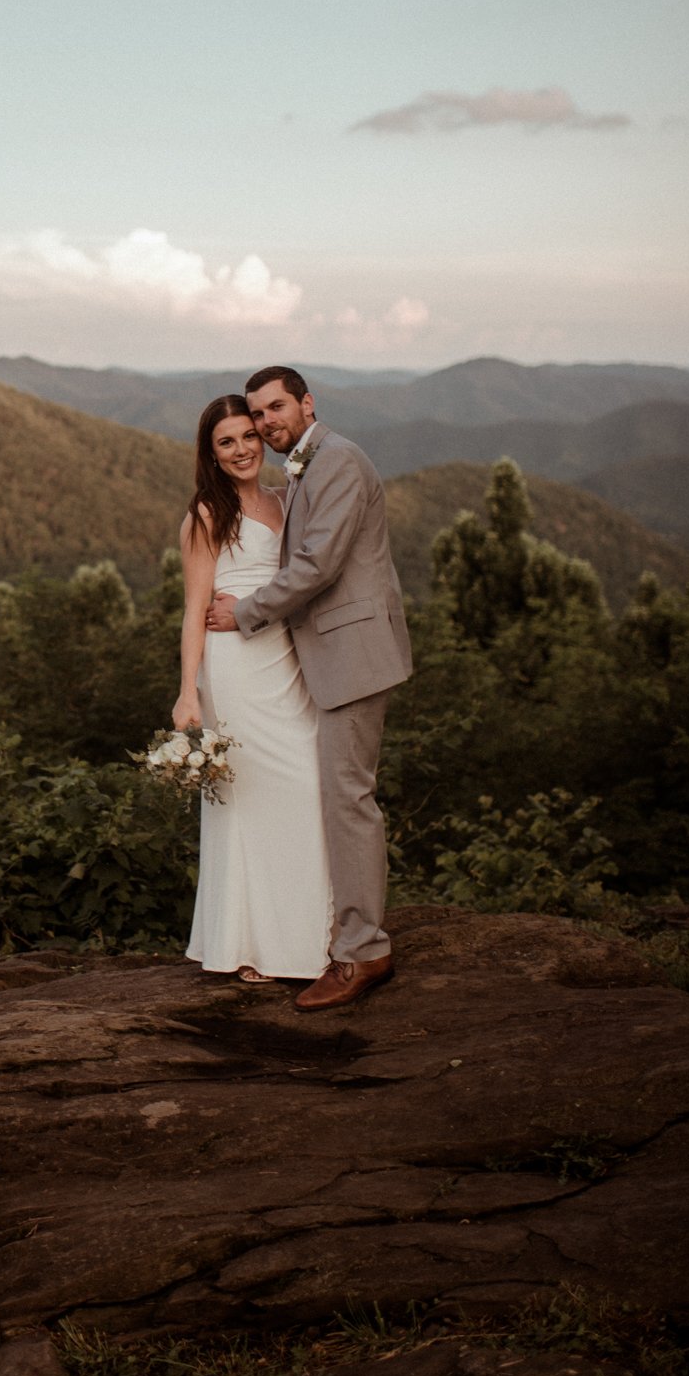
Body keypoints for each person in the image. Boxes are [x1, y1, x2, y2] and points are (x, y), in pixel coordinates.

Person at [205, 366, 412, 1011]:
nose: (267, 423)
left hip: (351, 655)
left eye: (276, 408)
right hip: (325, 659)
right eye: (259, 414)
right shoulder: (304, 466)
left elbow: (318, 565)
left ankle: (362, 955)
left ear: (306, 403)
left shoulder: (338, 461)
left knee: (348, 799)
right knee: (340, 795)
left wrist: (244, 613)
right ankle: (345, 938)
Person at [175, 395, 333, 984]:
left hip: (286, 659)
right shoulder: (205, 514)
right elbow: (193, 610)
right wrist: (188, 692)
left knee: (307, 786)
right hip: (235, 669)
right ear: (210, 454)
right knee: (251, 799)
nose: (242, 449)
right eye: (226, 442)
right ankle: (250, 946)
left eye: (248, 436)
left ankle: (306, 938)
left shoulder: (284, 501)